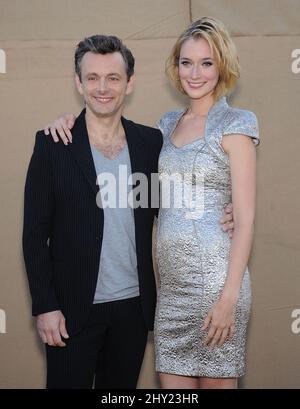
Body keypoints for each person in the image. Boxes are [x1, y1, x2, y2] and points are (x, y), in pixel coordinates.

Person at [39, 31, 235, 389]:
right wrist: (45, 306)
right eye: (93, 77)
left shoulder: (151, 143)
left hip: (133, 309)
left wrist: (224, 208)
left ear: (129, 83)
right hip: (69, 311)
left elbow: (176, 201)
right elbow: (34, 235)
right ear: (78, 83)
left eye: (113, 77)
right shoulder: (54, 143)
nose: (103, 87)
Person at [154, 17, 259, 389]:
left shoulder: (236, 124)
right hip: (170, 293)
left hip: (218, 286)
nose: (194, 73)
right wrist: (70, 121)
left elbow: (245, 219)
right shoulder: (166, 125)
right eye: (186, 62)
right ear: (176, 66)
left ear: (222, 66)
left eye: (206, 62)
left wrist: (228, 299)